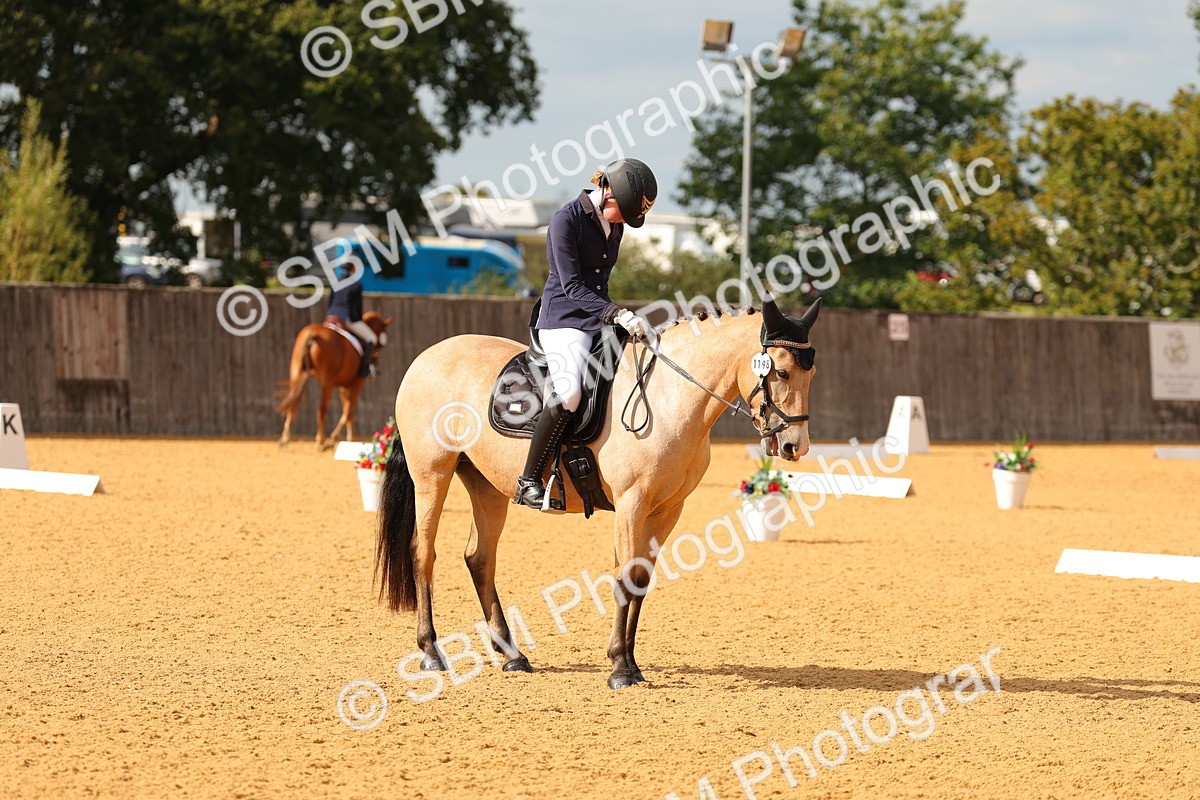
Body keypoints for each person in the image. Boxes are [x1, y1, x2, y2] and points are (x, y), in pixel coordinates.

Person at [512, 158, 657, 510]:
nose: (625, 221)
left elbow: (600, 281)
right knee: (571, 392)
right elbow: (572, 284)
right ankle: (529, 479)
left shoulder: (616, 224)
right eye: (624, 212)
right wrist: (616, 313)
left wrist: (618, 319)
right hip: (563, 318)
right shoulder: (566, 220)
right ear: (607, 194)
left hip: (597, 316)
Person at [326, 263, 377, 379]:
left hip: (330, 318)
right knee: (372, 338)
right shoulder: (356, 285)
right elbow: (356, 309)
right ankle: (365, 369)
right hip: (346, 318)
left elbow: (330, 302)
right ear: (353, 269)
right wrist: (359, 320)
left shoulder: (335, 282)